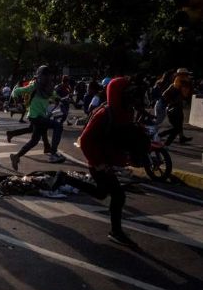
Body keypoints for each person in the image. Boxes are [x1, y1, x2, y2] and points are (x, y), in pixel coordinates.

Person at [70, 77, 147, 246]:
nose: (131, 98)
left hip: (108, 160)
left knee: (101, 193)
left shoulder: (126, 111)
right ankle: (116, 232)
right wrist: (99, 163)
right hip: (98, 161)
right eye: (127, 94)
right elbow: (85, 140)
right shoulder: (104, 114)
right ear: (118, 94)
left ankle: (64, 179)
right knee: (118, 196)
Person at [10, 65, 66, 171]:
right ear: (40, 76)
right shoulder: (34, 85)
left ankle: (16, 156)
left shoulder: (48, 87)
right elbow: (16, 92)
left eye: (48, 75)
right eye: (44, 75)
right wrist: (18, 103)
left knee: (34, 141)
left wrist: (61, 99)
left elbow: (54, 96)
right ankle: (53, 154)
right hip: (35, 116)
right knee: (58, 126)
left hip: (40, 116)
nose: (47, 78)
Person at [156, 68, 194, 146]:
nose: (187, 76)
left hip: (177, 108)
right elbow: (165, 95)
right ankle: (162, 136)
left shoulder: (183, 85)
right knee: (176, 128)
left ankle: (178, 139)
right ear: (181, 75)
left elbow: (186, 95)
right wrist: (172, 102)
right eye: (186, 75)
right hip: (173, 109)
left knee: (178, 127)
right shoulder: (175, 85)